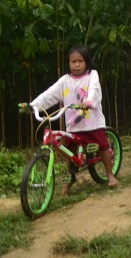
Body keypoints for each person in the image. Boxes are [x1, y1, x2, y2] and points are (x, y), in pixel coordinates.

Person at [29, 45, 118, 194]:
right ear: (68, 63)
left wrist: (89, 102)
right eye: (73, 61)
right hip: (73, 125)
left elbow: (94, 90)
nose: (77, 65)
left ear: (87, 62)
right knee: (69, 153)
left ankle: (109, 174)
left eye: (80, 61)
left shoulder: (92, 75)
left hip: (92, 123)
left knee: (103, 146)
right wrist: (33, 105)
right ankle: (71, 180)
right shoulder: (65, 81)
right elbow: (50, 94)